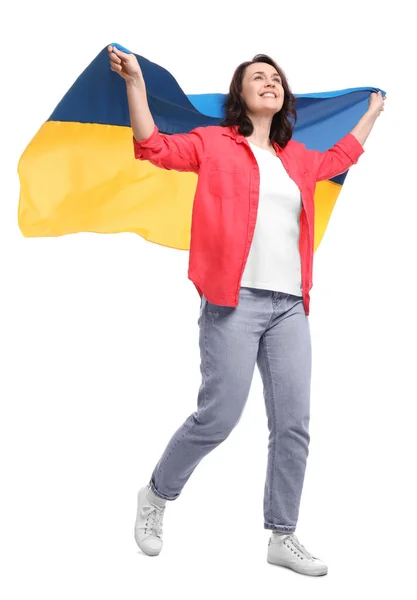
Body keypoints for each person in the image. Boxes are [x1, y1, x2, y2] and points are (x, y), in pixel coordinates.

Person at [108, 45, 385, 576]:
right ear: (240, 94)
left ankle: (282, 534)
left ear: (285, 97)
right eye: (258, 76)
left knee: (294, 425)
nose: (270, 81)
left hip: (290, 308)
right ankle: (156, 495)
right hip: (233, 303)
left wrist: (370, 113)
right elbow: (153, 147)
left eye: (276, 77)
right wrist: (135, 85)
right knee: (219, 417)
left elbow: (342, 157)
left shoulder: (299, 158)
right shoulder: (214, 144)